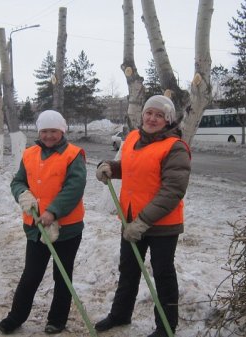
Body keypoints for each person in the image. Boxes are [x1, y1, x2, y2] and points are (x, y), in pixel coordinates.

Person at [95, 95, 191, 337]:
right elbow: (128, 167)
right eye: (149, 113)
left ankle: (166, 327)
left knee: (162, 273)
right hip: (130, 220)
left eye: (159, 115)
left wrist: (143, 221)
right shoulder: (133, 138)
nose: (152, 118)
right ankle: (120, 314)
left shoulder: (175, 147)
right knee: (128, 269)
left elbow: (173, 190)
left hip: (161, 225)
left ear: (168, 121)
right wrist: (109, 167)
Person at [0, 110, 87, 335]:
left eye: (53, 131)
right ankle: (16, 316)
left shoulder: (73, 154)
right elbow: (18, 181)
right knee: (31, 274)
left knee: (62, 275)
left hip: (67, 229)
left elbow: (74, 188)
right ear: (39, 131)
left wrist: (53, 212)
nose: (49, 136)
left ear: (62, 131)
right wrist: (22, 194)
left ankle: (57, 320)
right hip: (36, 227)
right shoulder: (29, 153)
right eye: (44, 131)